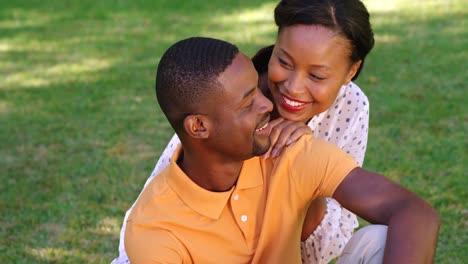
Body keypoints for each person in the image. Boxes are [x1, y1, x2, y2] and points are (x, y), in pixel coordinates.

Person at [124, 36, 439, 263]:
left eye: (258, 90)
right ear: (199, 127)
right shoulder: (153, 230)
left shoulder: (287, 149)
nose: (267, 104)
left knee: (377, 242)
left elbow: (412, 211)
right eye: (248, 101)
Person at [113, 1, 376, 263]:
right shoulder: (222, 104)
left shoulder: (350, 105)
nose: (294, 88)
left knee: (378, 241)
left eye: (317, 76)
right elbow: (155, 218)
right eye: (284, 61)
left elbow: (326, 247)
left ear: (350, 71)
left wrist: (309, 174)